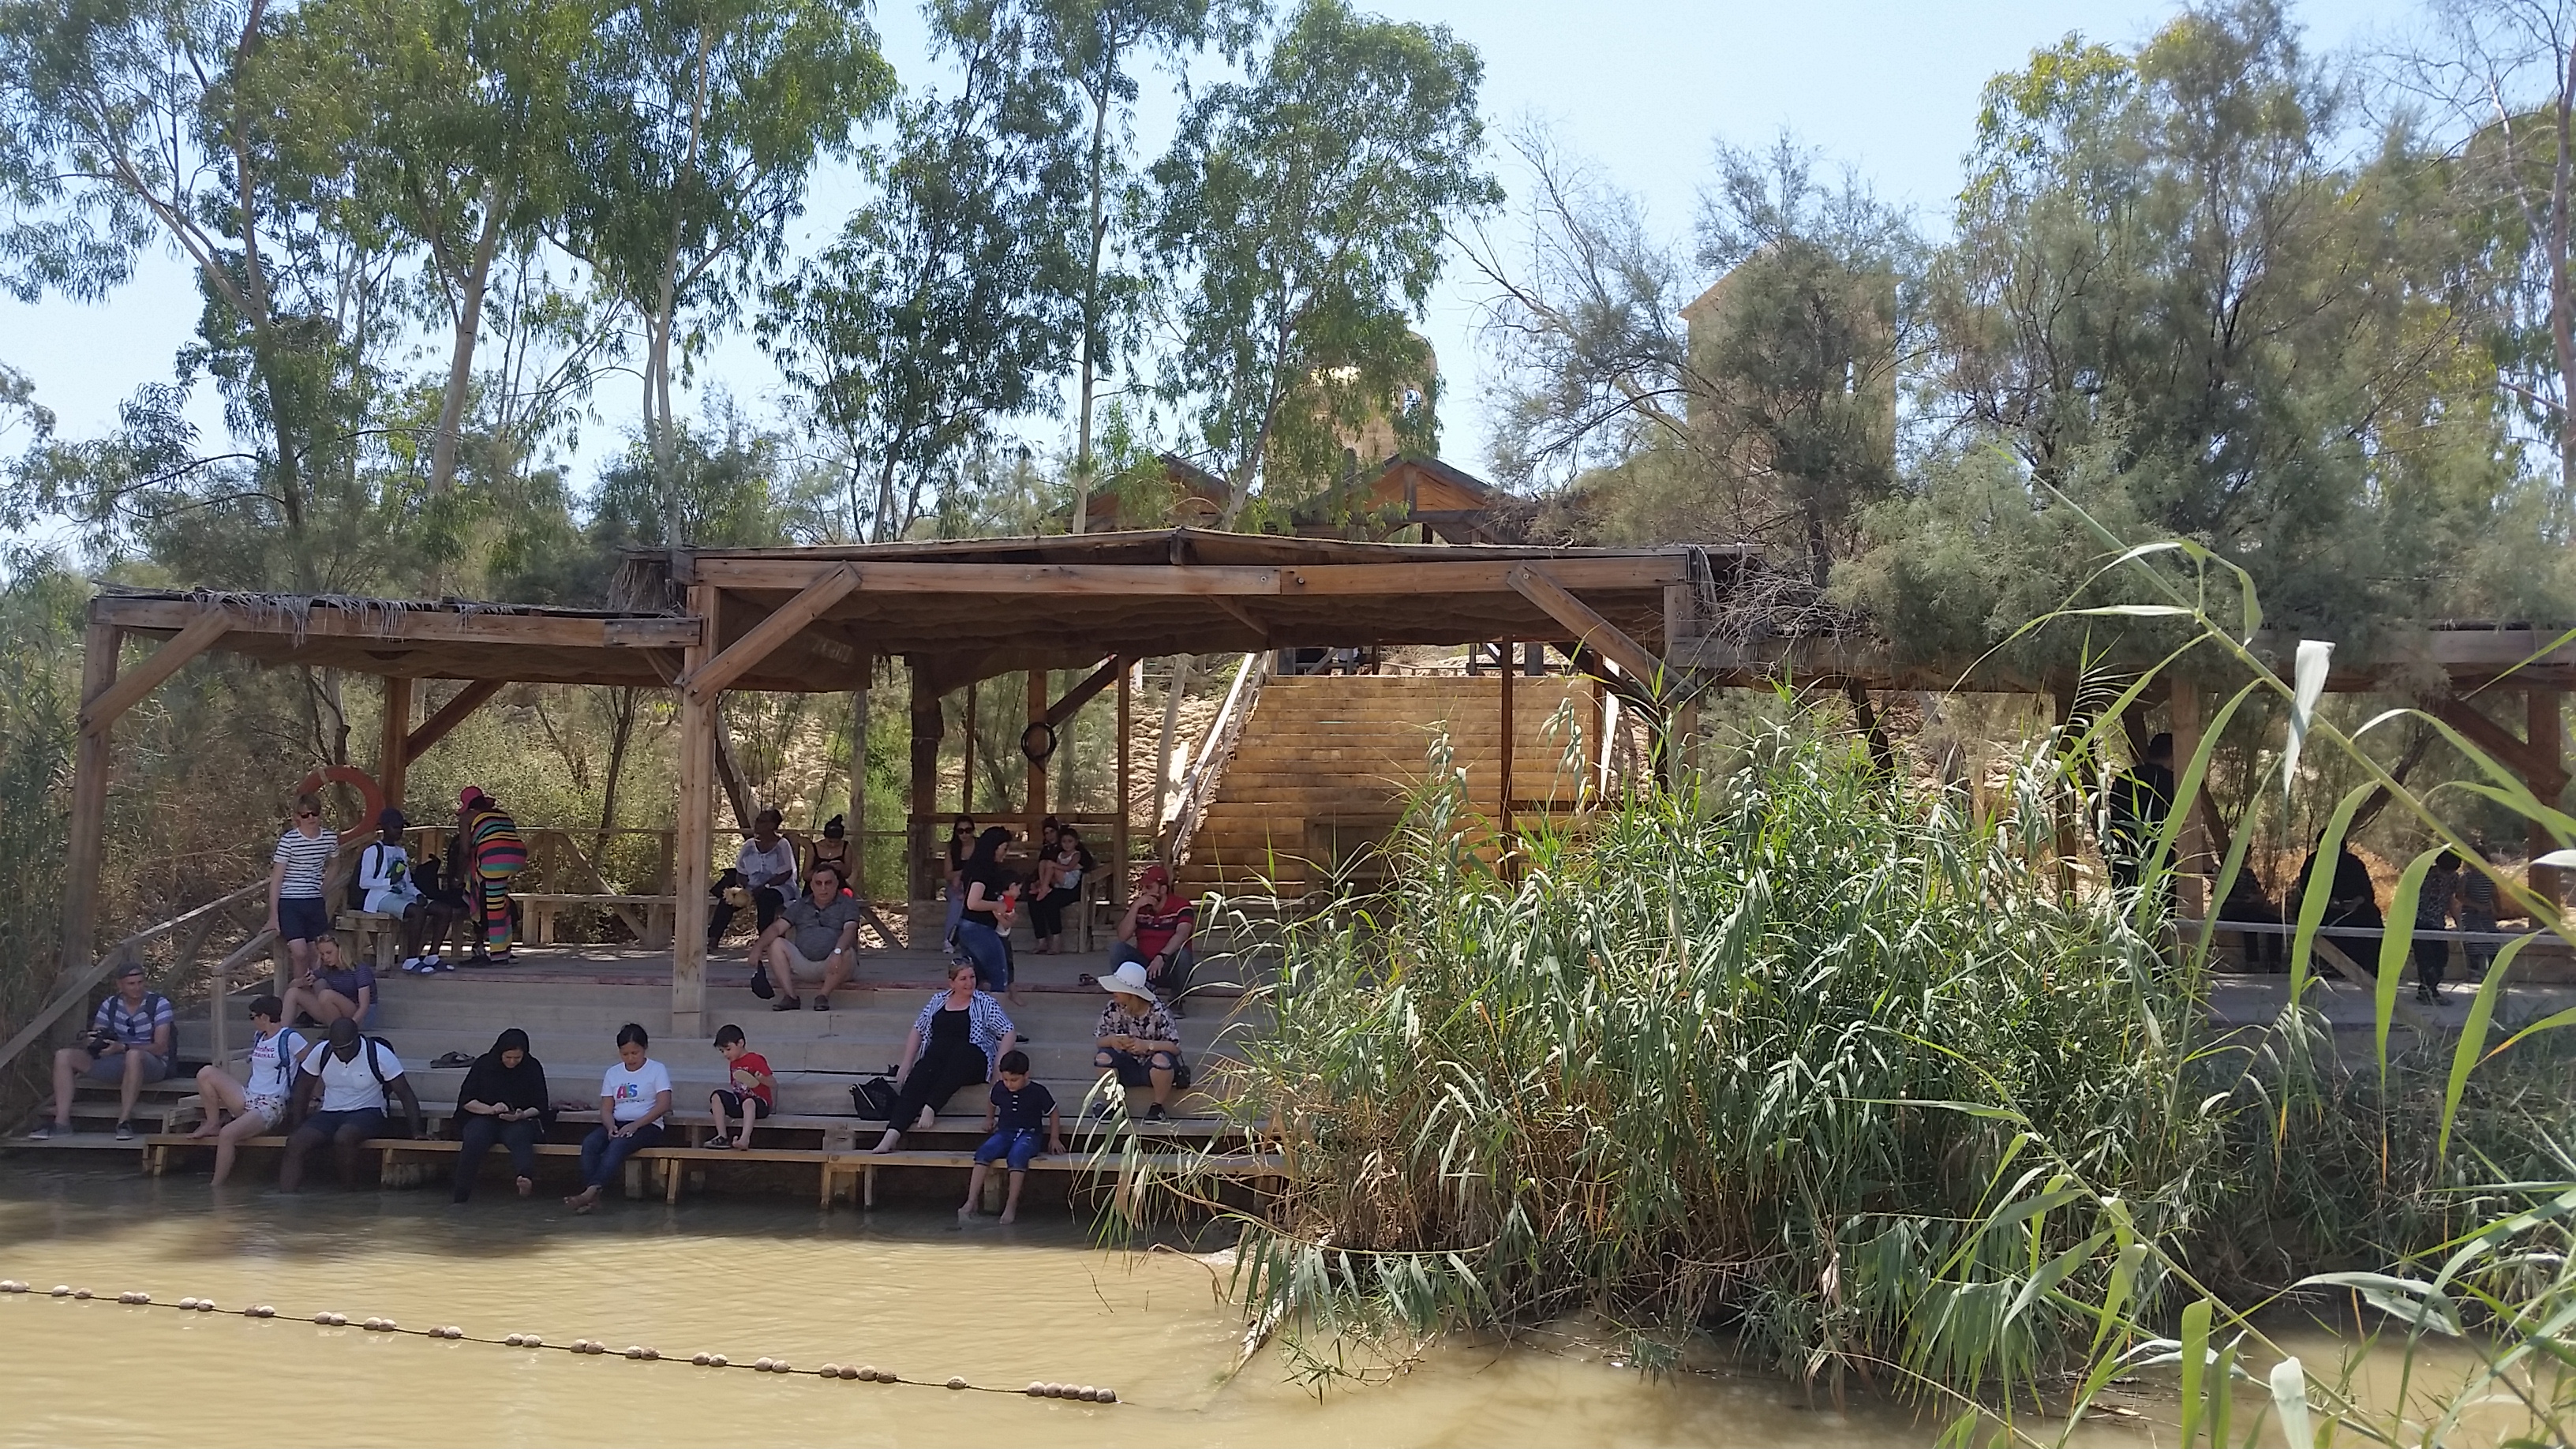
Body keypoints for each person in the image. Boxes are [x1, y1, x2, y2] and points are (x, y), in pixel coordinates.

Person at [871, 960, 1018, 1153]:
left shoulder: (985, 1002)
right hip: (939, 1060)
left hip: (971, 1059)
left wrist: (1000, 1065)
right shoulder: (938, 1000)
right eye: (963, 979)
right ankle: (892, 1134)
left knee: (960, 1053)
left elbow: (1008, 1031)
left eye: (972, 977)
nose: (969, 983)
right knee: (920, 1073)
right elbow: (918, 1029)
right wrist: (907, 1063)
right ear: (952, 983)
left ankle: (932, 1106)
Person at [279, 1018, 423, 1192]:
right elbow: (302, 1089)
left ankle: (348, 1193)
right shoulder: (322, 1052)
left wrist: (417, 1131)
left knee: (344, 1137)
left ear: (357, 1039)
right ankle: (285, 1199)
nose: (340, 1053)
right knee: (295, 1142)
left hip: (368, 1111)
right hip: (330, 1112)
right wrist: (298, 1124)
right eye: (336, 1048)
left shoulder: (380, 1054)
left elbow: (405, 1094)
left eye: (345, 1047)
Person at [35, 963, 174, 1140]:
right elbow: (96, 1033)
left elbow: (161, 1046)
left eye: (140, 982)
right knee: (63, 1056)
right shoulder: (111, 1005)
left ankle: (124, 1122)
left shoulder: (159, 1004)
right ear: (120, 985)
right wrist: (95, 1041)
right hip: (113, 1061)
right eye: (131, 984)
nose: (137, 988)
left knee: (133, 1055)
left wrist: (124, 1047)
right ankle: (61, 1122)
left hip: (151, 1063)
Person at [185, 993, 304, 1185]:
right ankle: (212, 1122)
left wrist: (312, 1096)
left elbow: (311, 1064)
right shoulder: (259, 1036)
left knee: (228, 1134)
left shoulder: (290, 1038)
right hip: (250, 1095)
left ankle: (216, 1186)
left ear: (264, 1017)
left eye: (253, 1017)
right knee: (206, 1073)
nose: (252, 1021)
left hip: (272, 1103)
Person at [567, 1024, 672, 1213]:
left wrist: (635, 1125)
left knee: (618, 1145)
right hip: (618, 1123)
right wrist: (610, 1127)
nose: (630, 1058)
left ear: (644, 1048)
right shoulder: (613, 1073)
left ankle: (590, 1192)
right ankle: (593, 1198)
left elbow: (663, 1104)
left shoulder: (657, 1069)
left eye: (635, 1053)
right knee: (590, 1143)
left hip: (647, 1125)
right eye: (625, 1054)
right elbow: (606, 1108)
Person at [960, 1049, 1060, 1226]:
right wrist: (989, 1118)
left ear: (1026, 1075)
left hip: (1029, 1133)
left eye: (1014, 1080)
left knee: (1017, 1156)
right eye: (1006, 1079)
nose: (1009, 1084)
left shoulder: (1038, 1092)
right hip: (1005, 1132)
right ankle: (971, 1200)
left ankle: (1011, 1205)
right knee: (984, 1152)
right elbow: (992, 1102)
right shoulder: (999, 1089)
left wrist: (1054, 1137)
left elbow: (1053, 1112)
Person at [451, 1028, 551, 1202]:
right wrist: (490, 1109)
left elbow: (541, 1105)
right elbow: (466, 1100)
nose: (512, 1062)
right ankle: (461, 1195)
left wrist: (521, 1114)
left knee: (520, 1137)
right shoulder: (484, 1065)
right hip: (484, 1117)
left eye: (517, 1058)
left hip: (517, 1120)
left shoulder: (532, 1067)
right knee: (475, 1139)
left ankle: (524, 1177)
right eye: (508, 1057)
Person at [354, 808, 456, 974]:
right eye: (395, 827)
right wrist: (389, 882)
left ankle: (432, 956)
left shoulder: (401, 852)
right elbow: (364, 882)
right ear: (385, 827)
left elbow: (407, 881)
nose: (399, 831)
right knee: (418, 913)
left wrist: (418, 894)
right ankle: (411, 959)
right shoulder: (373, 851)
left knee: (444, 910)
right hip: (381, 897)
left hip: (403, 894)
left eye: (401, 827)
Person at [753, 860, 861, 1011]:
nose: (823, 888)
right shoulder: (800, 905)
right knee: (776, 943)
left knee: (847, 952)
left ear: (837, 884)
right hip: (804, 964)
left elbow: (850, 930)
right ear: (812, 886)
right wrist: (757, 948)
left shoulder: (848, 904)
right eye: (819, 883)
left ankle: (823, 996)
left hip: (835, 963)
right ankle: (790, 997)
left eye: (828, 883)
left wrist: (838, 951)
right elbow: (777, 928)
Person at [1093, 960, 1188, 1122]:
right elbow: (1099, 1040)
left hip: (1152, 1068)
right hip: (1126, 1064)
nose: (1112, 992)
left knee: (1162, 1060)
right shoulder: (1112, 1007)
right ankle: (1115, 1104)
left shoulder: (1159, 1011)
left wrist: (1147, 1046)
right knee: (1102, 1058)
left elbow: (1175, 1047)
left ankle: (1157, 1107)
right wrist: (1113, 1041)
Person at [267, 792, 337, 979]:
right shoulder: (289, 841)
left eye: (314, 813)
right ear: (298, 817)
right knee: (300, 953)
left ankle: (316, 995)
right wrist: (273, 916)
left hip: (314, 901)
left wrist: (323, 888)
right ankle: (298, 992)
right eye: (305, 815)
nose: (311, 818)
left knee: (318, 953)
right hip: (290, 902)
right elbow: (276, 879)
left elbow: (335, 864)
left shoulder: (329, 838)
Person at [1112, 865, 1197, 1017]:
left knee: (1183, 955)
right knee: (1118, 949)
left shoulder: (1182, 905)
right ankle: (1130, 1000)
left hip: (1168, 966)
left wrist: (1161, 957)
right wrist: (1135, 907)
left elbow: (1182, 934)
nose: (1144, 891)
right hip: (1145, 966)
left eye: (1149, 887)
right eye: (1143, 887)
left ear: (1163, 889)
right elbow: (1122, 936)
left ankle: (1176, 1001)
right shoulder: (1141, 907)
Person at [459, 787, 528, 965]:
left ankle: (498, 955)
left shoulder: (467, 817)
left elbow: (465, 849)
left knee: (493, 906)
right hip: (517, 855)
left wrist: (460, 873)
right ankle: (505, 948)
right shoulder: (500, 814)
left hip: (494, 858)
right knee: (499, 899)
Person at [953, 826, 1023, 1004]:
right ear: (995, 846)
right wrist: (998, 905)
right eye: (1004, 848)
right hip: (979, 930)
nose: (1005, 853)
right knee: (999, 976)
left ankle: (974, 1023)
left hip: (969, 928)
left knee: (975, 980)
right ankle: (997, 1025)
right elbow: (973, 902)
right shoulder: (984, 870)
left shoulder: (977, 866)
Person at [710, 809, 799, 948]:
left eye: (761, 821)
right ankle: (713, 938)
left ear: (772, 825)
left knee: (766, 898)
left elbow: (785, 874)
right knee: (728, 900)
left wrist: (764, 887)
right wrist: (742, 887)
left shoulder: (782, 845)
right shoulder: (749, 845)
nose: (756, 824)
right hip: (751, 887)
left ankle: (765, 940)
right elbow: (741, 871)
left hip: (779, 888)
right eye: (757, 820)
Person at [2102, 733, 2175, 898]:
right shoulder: (2173, 782)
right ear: (2173, 755)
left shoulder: (2124, 777)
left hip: (2125, 859)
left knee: (2127, 912)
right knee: (2161, 916)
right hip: (2162, 864)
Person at [279, 933, 374, 1029]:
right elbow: (291, 986)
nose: (325, 958)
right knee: (293, 992)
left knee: (326, 995)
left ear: (341, 950)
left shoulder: (359, 969)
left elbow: (364, 1006)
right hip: (338, 1014)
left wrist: (350, 1027)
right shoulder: (327, 969)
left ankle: (337, 1031)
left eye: (329, 953)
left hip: (361, 1017)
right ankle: (279, 1033)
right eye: (322, 954)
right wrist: (302, 981)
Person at [708, 1024, 775, 1151]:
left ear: (740, 1043)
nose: (725, 1054)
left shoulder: (756, 1059)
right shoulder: (733, 1062)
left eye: (728, 1049)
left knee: (748, 1102)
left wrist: (761, 1079)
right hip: (741, 1100)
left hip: (759, 1104)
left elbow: (773, 1083)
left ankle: (744, 1139)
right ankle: (722, 1137)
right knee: (717, 1096)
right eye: (722, 1051)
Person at [1029, 826, 1091, 955]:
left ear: (1076, 841)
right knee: (1034, 900)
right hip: (1057, 884)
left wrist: (1053, 866)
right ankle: (1041, 940)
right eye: (1064, 842)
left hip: (1071, 887)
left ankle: (1057, 940)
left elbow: (1069, 867)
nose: (1067, 844)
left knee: (1050, 901)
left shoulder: (1079, 854)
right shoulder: (1057, 852)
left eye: (1052, 832)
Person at [2417, 851, 2464, 1005]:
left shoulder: (2453, 878)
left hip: (2438, 924)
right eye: (2445, 871)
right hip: (2420, 922)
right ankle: (2427, 992)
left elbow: (2450, 899)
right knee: (2425, 958)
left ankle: (2431, 989)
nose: (2447, 875)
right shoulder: (2424, 874)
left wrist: (2459, 922)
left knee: (2441, 957)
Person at [2457, 852, 2502, 981]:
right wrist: (2476, 905)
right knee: (2472, 942)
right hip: (2471, 914)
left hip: (2487, 915)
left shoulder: (2489, 877)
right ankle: (2474, 972)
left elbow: (2495, 894)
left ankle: (2494, 972)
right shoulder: (2466, 877)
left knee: (2492, 941)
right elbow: (2460, 896)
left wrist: (2498, 909)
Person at [941, 816, 975, 958]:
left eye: (968, 830)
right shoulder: (952, 848)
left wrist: (963, 875)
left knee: (970, 899)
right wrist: (960, 875)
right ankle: (949, 939)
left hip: (975, 885)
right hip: (956, 887)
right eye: (961, 831)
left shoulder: (980, 846)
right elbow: (947, 874)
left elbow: (983, 870)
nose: (964, 835)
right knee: (957, 900)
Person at [807, 815, 851, 886]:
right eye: (830, 841)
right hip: (816, 887)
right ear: (825, 837)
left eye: (837, 842)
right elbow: (806, 876)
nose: (833, 845)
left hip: (838, 887)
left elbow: (847, 874)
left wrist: (842, 867)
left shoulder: (846, 847)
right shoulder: (813, 848)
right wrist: (820, 869)